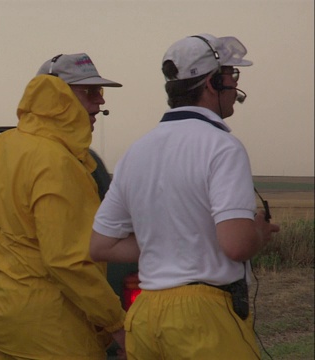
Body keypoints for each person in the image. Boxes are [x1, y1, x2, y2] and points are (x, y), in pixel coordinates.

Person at [89, 34, 280, 359]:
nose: (235, 86)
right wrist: (258, 233)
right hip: (204, 318)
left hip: (145, 316)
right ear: (212, 83)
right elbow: (236, 245)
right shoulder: (222, 146)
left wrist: (170, 238)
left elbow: (100, 246)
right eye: (231, 75)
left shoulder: (136, 152)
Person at [0, 53, 127, 359]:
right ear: (57, 95)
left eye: (101, 92)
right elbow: (66, 260)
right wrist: (116, 323)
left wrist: (10, 286)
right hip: (57, 329)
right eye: (89, 92)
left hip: (6, 321)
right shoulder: (58, 162)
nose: (100, 101)